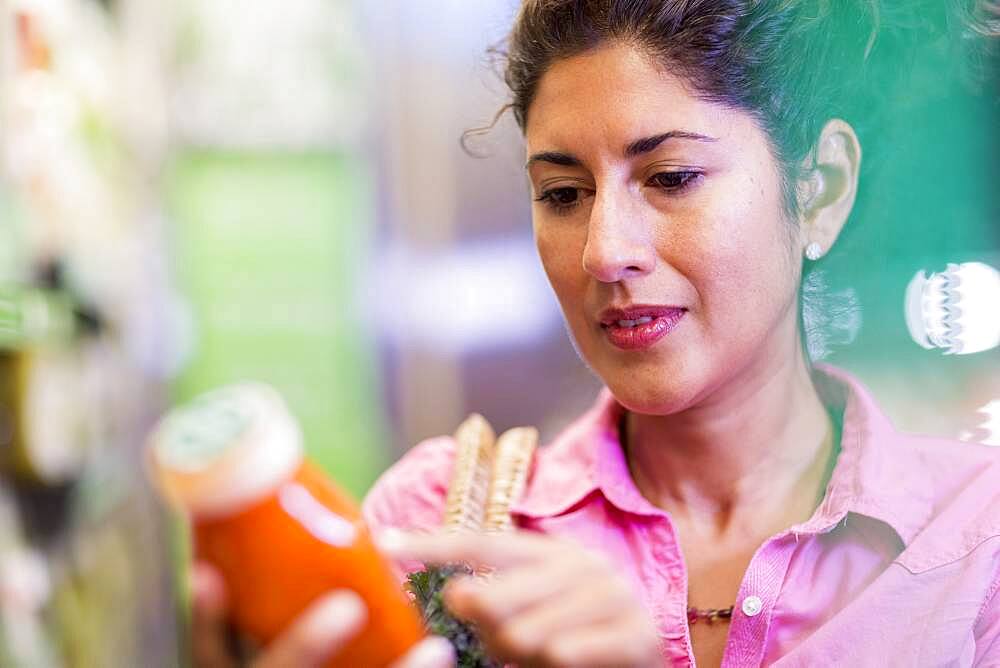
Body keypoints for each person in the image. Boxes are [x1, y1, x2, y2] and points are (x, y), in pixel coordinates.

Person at [191, 1, 1000, 666]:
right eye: (564, 192)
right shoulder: (440, 530)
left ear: (819, 190)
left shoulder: (977, 541)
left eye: (671, 177)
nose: (604, 251)